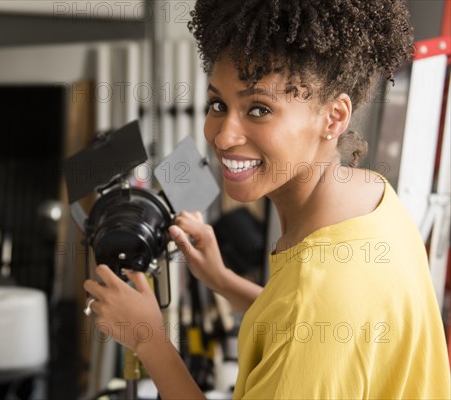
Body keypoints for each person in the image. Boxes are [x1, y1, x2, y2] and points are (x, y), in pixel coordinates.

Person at [83, 0, 451, 398]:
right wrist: (223, 281)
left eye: (259, 109)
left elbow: (310, 317)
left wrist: (148, 341)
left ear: (334, 117)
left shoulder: (318, 299)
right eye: (219, 105)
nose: (223, 136)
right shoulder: (372, 197)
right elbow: (303, 321)